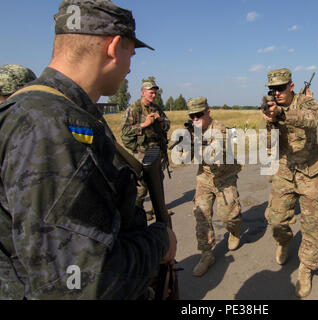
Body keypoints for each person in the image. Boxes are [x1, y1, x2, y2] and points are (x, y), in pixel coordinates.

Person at [0, 0, 176, 299]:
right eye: (130, 54)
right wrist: (160, 242)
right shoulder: (52, 127)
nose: (130, 67)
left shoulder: (61, 112)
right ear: (114, 46)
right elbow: (78, 284)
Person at [260, 68, 318, 298]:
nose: (276, 93)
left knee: (313, 222)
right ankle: (284, 241)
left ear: (291, 86)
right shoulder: (270, 108)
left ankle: (306, 268)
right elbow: (268, 146)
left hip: (310, 170)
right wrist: (270, 123)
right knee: (276, 220)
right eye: (272, 89)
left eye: (280, 88)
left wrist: (282, 114)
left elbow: (312, 120)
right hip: (284, 170)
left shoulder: (307, 102)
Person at [185, 97, 243, 277]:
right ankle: (206, 254)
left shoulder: (220, 129)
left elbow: (214, 153)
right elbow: (183, 157)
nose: (195, 119)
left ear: (208, 113)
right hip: (205, 179)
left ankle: (234, 231)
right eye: (192, 116)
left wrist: (195, 144)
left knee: (228, 217)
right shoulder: (193, 131)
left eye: (198, 115)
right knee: (201, 216)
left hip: (225, 178)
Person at [121, 79, 171, 220]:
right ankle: (137, 212)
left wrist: (161, 120)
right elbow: (124, 132)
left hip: (157, 150)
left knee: (158, 180)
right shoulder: (133, 109)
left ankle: (158, 209)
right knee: (142, 184)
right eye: (151, 93)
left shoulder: (156, 109)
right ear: (143, 93)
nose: (153, 95)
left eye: (155, 93)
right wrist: (144, 125)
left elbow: (167, 125)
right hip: (141, 151)